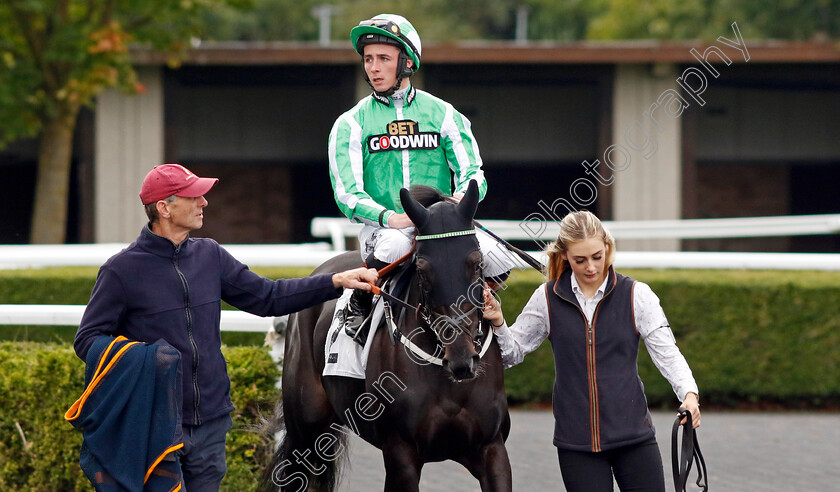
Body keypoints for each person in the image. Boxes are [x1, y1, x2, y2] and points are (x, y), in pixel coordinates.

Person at [73, 163, 377, 491]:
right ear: (164, 208)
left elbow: (268, 297)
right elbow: (88, 339)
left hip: (211, 421)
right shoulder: (121, 270)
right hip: (157, 424)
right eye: (194, 196)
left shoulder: (210, 255)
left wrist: (335, 281)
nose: (204, 202)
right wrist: (146, 358)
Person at [482, 210, 700, 492]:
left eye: (597, 256)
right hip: (576, 444)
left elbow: (667, 353)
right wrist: (499, 322)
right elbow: (511, 355)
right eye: (579, 260)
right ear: (564, 256)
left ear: (607, 248)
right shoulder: (546, 299)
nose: (591, 267)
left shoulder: (637, 295)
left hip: (634, 438)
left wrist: (689, 395)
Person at [328, 13, 514, 339]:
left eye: (384, 59)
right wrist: (392, 218)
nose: (373, 67)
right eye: (368, 59)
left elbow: (473, 173)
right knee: (395, 246)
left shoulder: (444, 114)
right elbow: (348, 194)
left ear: (407, 62)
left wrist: (459, 202)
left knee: (501, 258)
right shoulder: (350, 123)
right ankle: (356, 306)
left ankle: (483, 317)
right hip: (385, 231)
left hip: (443, 229)